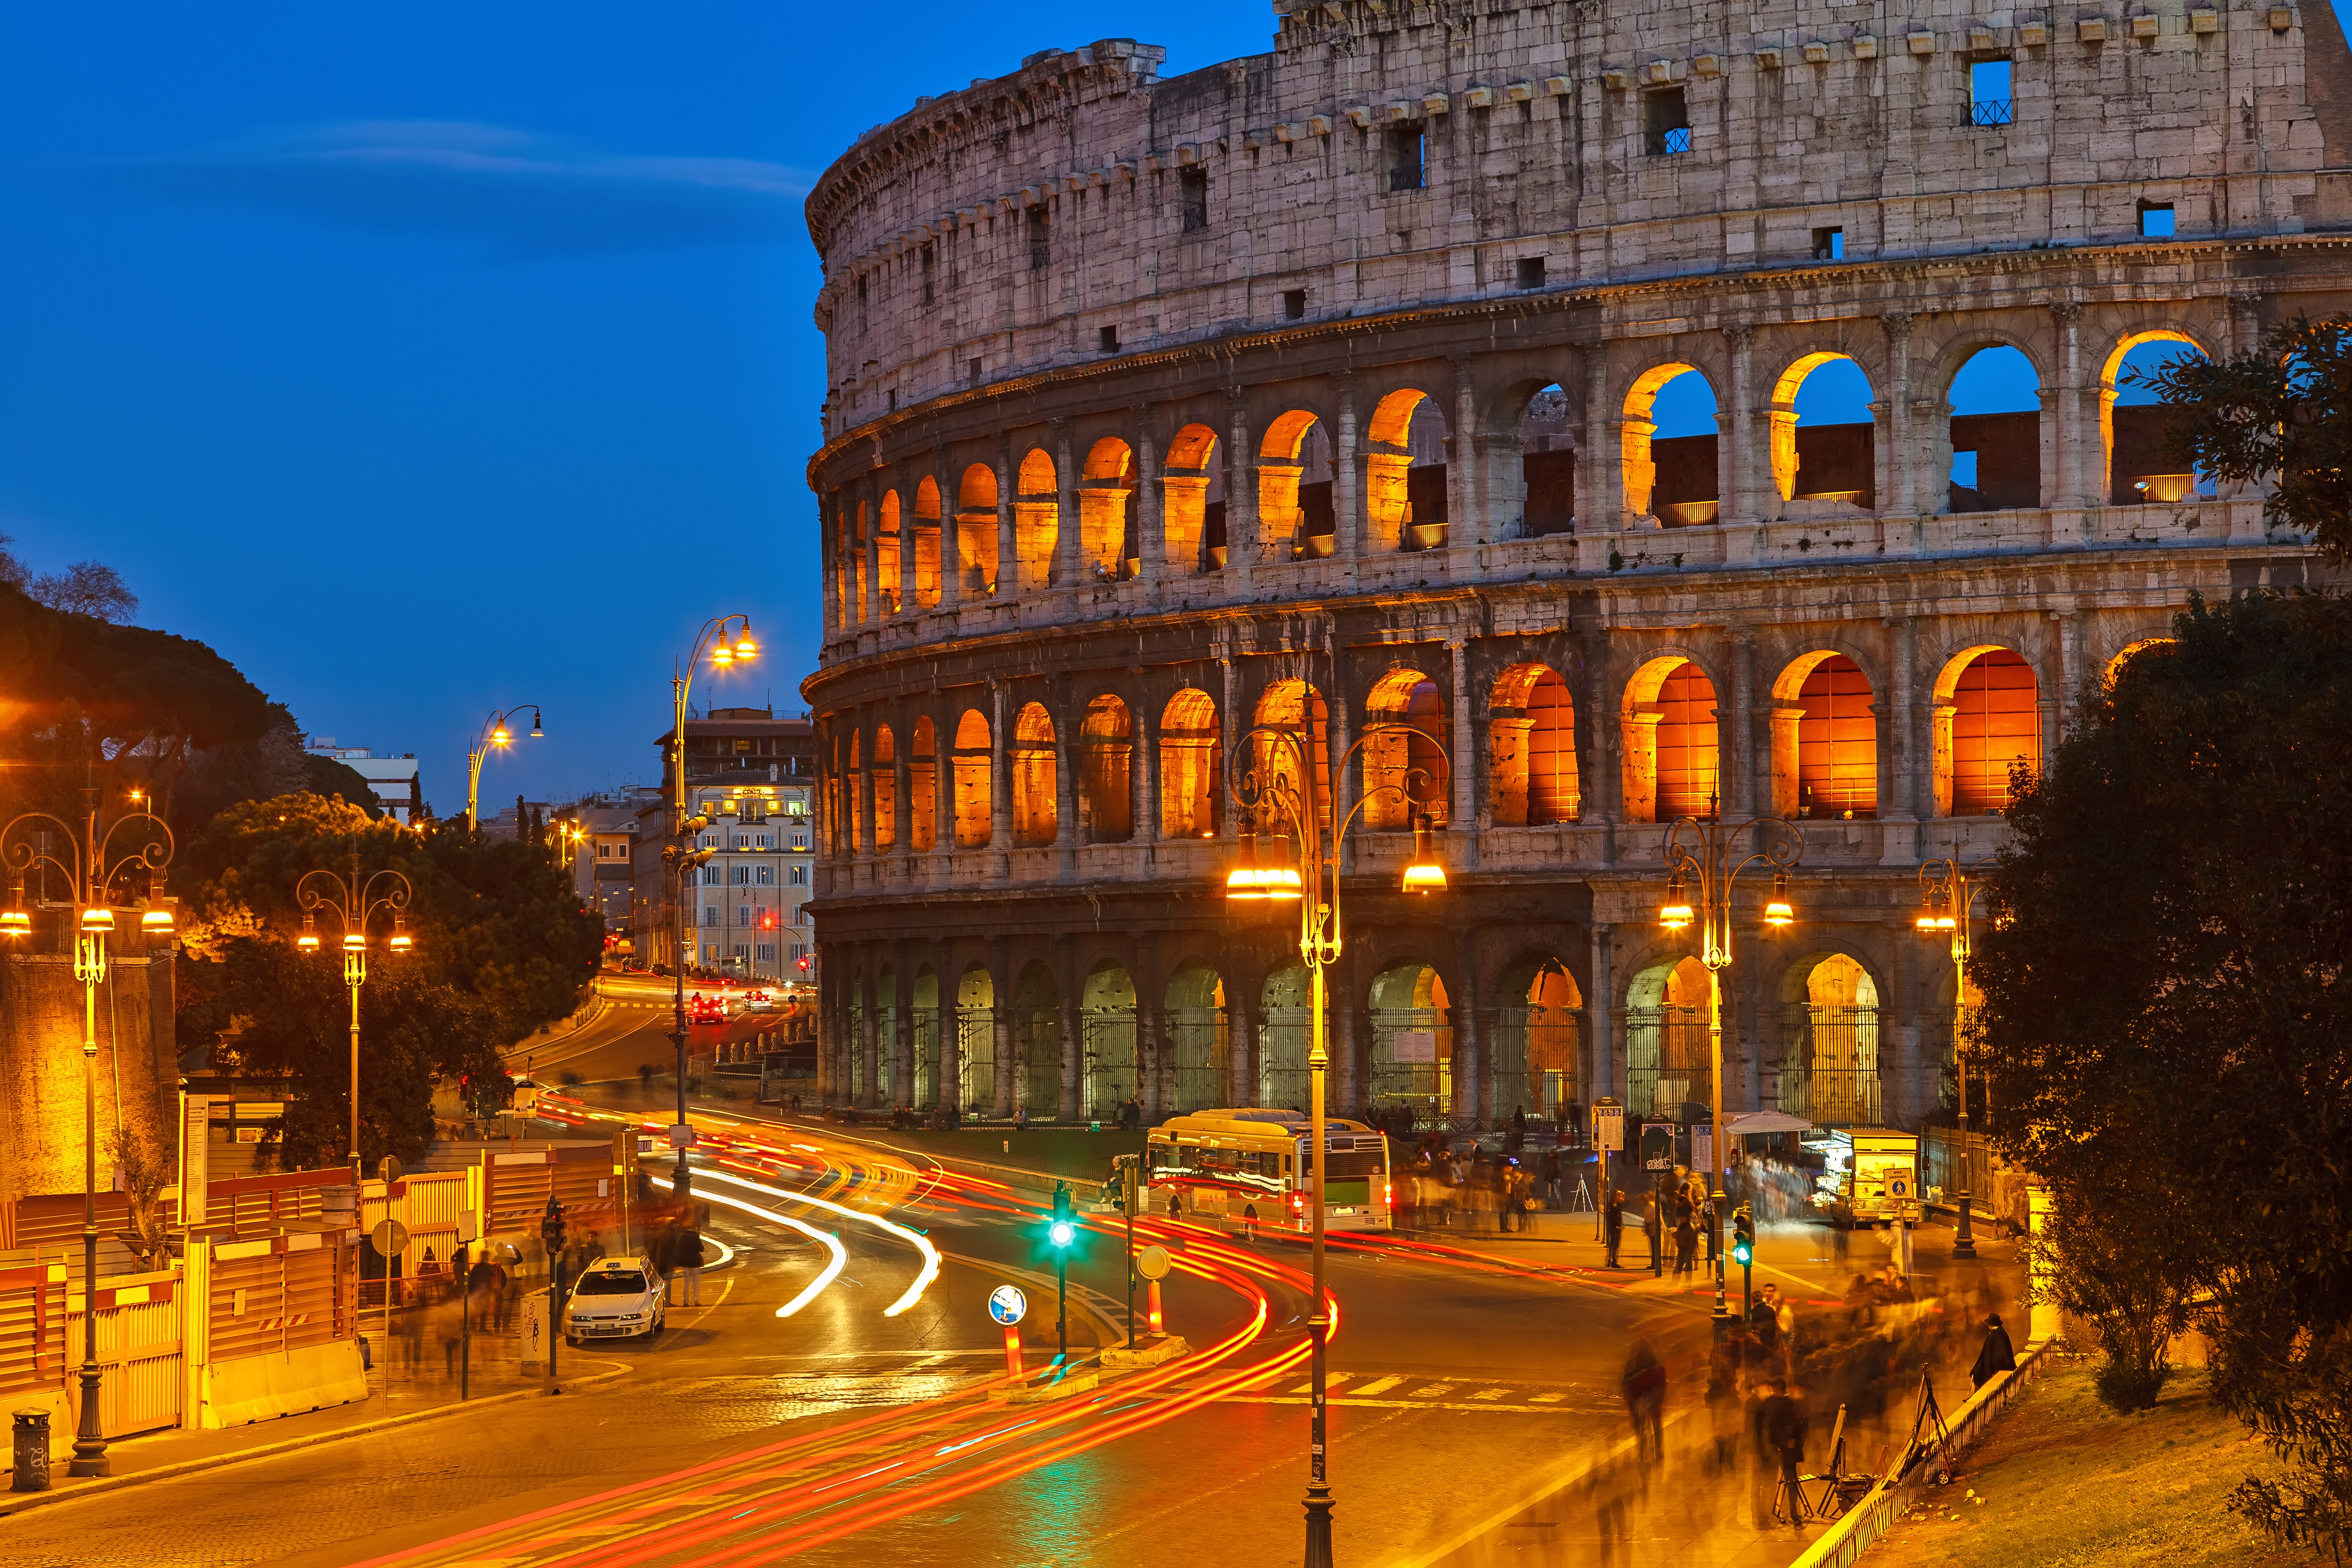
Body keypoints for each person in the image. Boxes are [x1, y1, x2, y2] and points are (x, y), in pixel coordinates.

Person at [1760, 1379, 1809, 1524]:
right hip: (1785, 1448)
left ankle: (1793, 1512)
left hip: (1785, 1449)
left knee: (1790, 1480)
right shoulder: (1784, 1405)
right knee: (1790, 1480)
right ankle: (1793, 1513)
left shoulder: (1782, 1404)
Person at [1622, 1338, 1667, 1462]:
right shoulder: (1656, 1363)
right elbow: (1662, 1381)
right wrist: (1661, 1395)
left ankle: (1643, 1450)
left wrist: (1629, 1398)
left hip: (1638, 1399)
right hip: (1654, 1398)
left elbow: (1626, 1382)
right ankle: (1658, 1450)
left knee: (1641, 1427)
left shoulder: (1633, 1364)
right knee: (1657, 1425)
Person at [1971, 1312, 2018, 1389]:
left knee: (1976, 1373)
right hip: (2001, 1362)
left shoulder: (1994, 1334)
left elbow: (1992, 1351)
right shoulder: (2001, 1332)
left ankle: (1974, 1394)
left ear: (1991, 1324)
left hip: (1995, 1364)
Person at [678, 1224, 706, 1307]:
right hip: (695, 1262)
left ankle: (686, 1301)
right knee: (696, 1282)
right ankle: (696, 1300)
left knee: (686, 1282)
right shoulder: (695, 1237)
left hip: (685, 1262)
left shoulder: (682, 1237)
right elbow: (701, 1249)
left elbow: (679, 1249)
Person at [1604, 1189, 1625, 1267]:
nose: (1617, 1197)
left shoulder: (1618, 1205)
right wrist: (1614, 1226)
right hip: (1614, 1228)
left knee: (1615, 1245)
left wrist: (1623, 1195)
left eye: (1618, 1195)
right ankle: (1613, 1261)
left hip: (1618, 1227)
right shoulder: (1610, 1205)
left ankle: (1611, 1260)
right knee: (1614, 1244)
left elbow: (1628, 1202)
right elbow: (1609, 1217)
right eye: (1616, 1195)